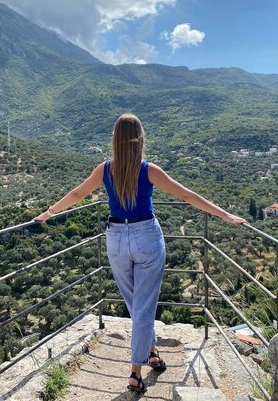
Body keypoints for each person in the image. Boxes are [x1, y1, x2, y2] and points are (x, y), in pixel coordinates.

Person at [34, 113, 246, 394]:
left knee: (136, 304)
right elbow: (186, 195)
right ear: (139, 138)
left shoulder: (105, 169)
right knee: (143, 306)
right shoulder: (149, 170)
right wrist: (225, 215)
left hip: (116, 240)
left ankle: (152, 352)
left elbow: (77, 194)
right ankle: (135, 372)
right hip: (146, 237)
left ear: (115, 139)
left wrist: (49, 213)